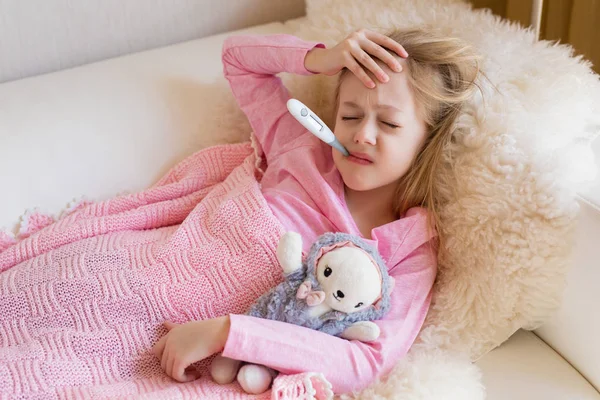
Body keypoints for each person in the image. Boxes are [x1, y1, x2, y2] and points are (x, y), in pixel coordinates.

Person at [152, 28, 481, 395]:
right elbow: (238, 59)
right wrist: (323, 59)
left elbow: (366, 363)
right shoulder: (299, 149)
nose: (362, 135)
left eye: (388, 124)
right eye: (351, 116)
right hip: (152, 274)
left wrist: (227, 333)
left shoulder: (410, 247)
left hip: (215, 356)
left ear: (427, 141)